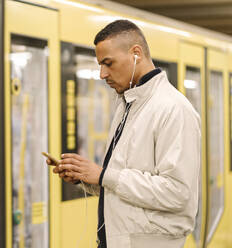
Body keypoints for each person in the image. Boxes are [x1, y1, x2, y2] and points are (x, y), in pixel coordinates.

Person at [47, 20, 200, 248]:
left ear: (136, 53)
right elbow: (126, 188)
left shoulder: (173, 109)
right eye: (100, 64)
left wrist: (102, 175)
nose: (102, 74)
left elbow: (178, 193)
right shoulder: (127, 105)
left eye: (108, 63)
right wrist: (85, 178)